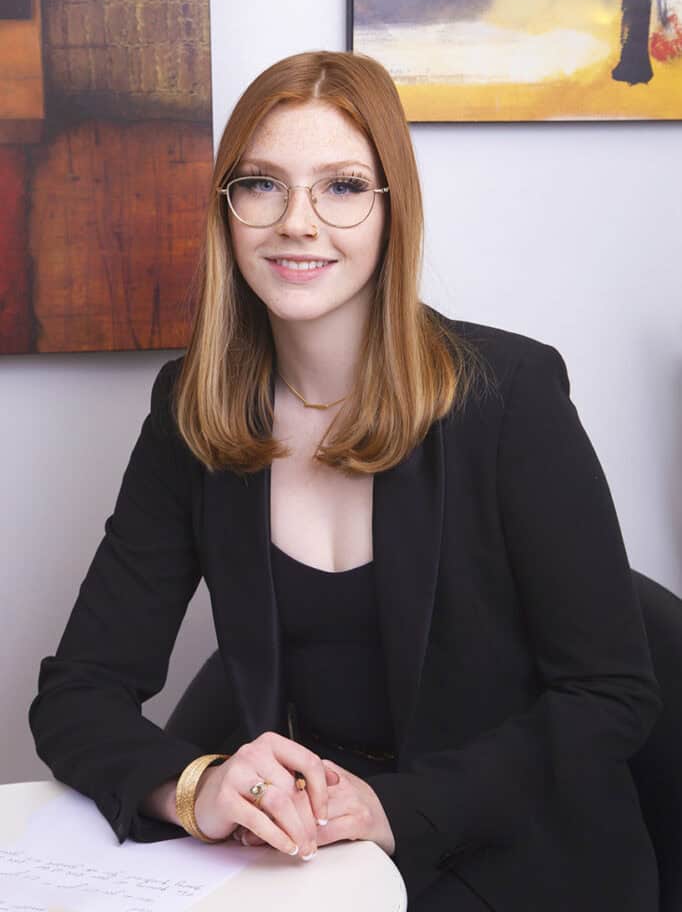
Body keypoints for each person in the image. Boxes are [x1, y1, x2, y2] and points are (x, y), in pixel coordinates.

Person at [29, 50, 662, 912]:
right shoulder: (193, 409)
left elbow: (611, 696)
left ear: (390, 209)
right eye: (261, 184)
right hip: (322, 862)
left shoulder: (508, 396)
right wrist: (196, 783)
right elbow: (79, 694)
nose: (298, 221)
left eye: (341, 186)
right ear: (227, 210)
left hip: (520, 854)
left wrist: (392, 809)